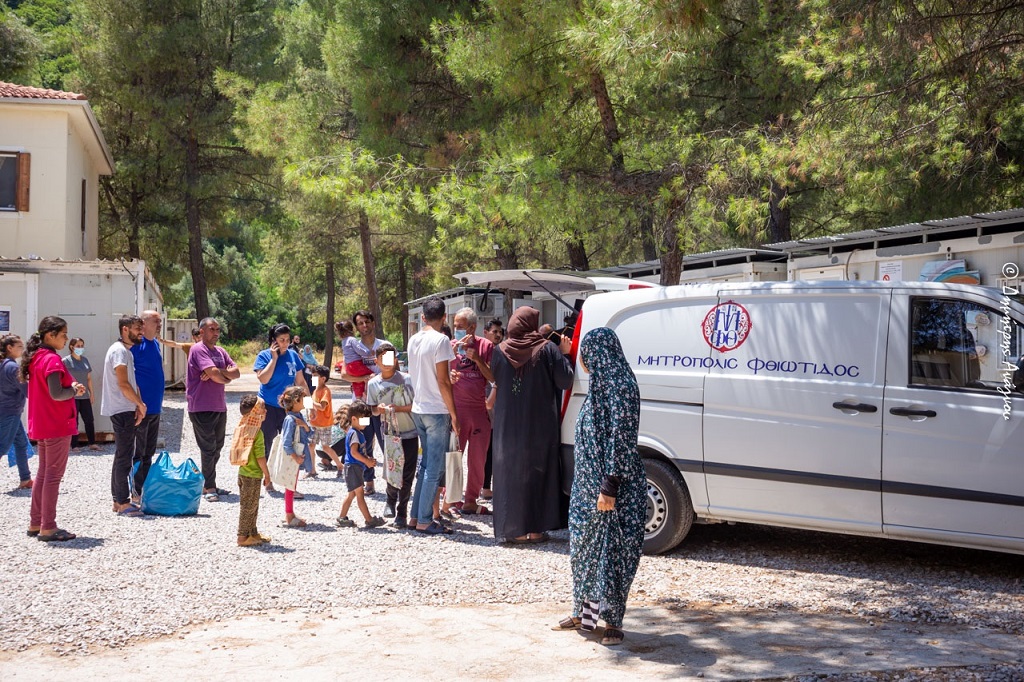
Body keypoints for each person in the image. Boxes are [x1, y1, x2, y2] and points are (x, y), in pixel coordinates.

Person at [554, 327, 644, 646]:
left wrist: (610, 484)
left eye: (584, 352)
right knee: (584, 549)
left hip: (611, 489)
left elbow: (622, 436)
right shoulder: (600, 383)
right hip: (587, 488)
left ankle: (613, 621)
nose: (582, 359)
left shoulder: (622, 386)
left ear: (596, 352)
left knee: (614, 552)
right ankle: (585, 614)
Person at [491, 306, 573, 544]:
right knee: (539, 472)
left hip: (508, 425)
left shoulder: (499, 351)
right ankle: (537, 530)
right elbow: (565, 380)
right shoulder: (547, 348)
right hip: (540, 424)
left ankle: (515, 531)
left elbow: (496, 378)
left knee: (511, 473)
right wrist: (565, 354)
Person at [24, 316, 86, 541]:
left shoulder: (37, 357)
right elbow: (57, 393)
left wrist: (71, 385)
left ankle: (36, 522)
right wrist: (75, 391)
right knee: (52, 476)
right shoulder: (51, 359)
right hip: (57, 424)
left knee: (43, 473)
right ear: (50, 335)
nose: (66, 339)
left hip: (43, 423)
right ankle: (48, 526)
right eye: (63, 334)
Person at [407, 296, 459, 536]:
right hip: (436, 409)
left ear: (423, 317)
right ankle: (425, 519)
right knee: (434, 468)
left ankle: (415, 515)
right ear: (444, 317)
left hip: (418, 407)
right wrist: (454, 414)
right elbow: (443, 381)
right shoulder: (442, 340)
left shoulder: (413, 339)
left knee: (426, 464)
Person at [187, 317, 241, 502]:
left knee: (217, 447)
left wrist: (219, 372)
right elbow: (216, 375)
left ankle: (208, 483)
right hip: (201, 406)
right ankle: (209, 487)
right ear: (202, 331)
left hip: (219, 406)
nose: (216, 333)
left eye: (218, 329)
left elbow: (236, 372)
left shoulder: (220, 351)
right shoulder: (198, 349)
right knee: (208, 448)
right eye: (212, 329)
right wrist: (220, 374)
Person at [367, 342, 419, 528]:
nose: (387, 362)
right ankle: (390, 500)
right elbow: (372, 409)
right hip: (389, 435)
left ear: (396, 360)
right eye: (383, 359)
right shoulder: (373, 384)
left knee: (407, 473)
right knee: (392, 469)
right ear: (376, 361)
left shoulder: (408, 379)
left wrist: (398, 408)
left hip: (410, 433)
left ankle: (402, 511)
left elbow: (416, 405)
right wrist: (379, 409)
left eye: (391, 358)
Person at [100, 315, 147, 517]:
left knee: (122, 454)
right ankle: (122, 502)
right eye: (137, 328)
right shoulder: (119, 351)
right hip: (121, 409)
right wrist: (140, 404)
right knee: (125, 457)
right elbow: (123, 384)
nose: (141, 332)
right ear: (125, 329)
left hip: (125, 408)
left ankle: (117, 500)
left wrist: (137, 404)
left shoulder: (125, 351)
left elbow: (131, 383)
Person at [449, 308, 494, 516]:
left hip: (478, 411)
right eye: (455, 326)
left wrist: (478, 360)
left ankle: (470, 500)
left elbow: (493, 377)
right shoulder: (450, 346)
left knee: (477, 460)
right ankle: (451, 500)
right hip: (457, 411)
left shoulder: (485, 346)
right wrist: (450, 376)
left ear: (472, 327)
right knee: (453, 458)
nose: (456, 330)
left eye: (460, 326)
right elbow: (440, 377)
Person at [254, 324, 307, 467]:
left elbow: (301, 382)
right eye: (282, 340)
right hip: (268, 407)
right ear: (274, 341)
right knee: (267, 442)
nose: (285, 343)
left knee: (290, 441)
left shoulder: (293, 355)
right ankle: (267, 476)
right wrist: (274, 359)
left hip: (288, 407)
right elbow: (263, 379)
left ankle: (286, 477)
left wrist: (309, 405)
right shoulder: (264, 356)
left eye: (288, 340)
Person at [346, 310, 385, 494]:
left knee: (387, 443)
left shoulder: (384, 346)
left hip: (381, 404)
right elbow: (345, 374)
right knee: (364, 443)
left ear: (373, 323)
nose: (364, 325)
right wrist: (364, 379)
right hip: (361, 407)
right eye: (360, 323)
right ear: (357, 327)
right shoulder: (352, 346)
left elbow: (392, 369)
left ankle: (395, 482)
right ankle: (369, 481)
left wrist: (375, 380)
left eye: (367, 321)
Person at [129, 310, 165, 499]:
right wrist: (137, 402)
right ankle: (134, 490)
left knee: (149, 452)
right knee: (138, 452)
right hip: (140, 409)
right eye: (156, 321)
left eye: (160, 321)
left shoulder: (155, 344)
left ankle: (144, 489)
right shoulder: (136, 346)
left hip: (155, 408)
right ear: (143, 323)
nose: (160, 324)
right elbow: (129, 376)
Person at [335, 400, 386, 529]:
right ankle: (369, 520)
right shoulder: (355, 434)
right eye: (364, 420)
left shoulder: (357, 432)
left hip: (354, 468)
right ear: (354, 419)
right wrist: (366, 461)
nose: (367, 423)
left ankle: (342, 518)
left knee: (352, 494)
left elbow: (359, 452)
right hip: (353, 468)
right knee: (360, 495)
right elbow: (354, 452)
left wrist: (367, 458)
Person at [231, 394, 271, 547]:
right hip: (252, 475)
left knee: (253, 505)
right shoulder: (257, 433)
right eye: (262, 408)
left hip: (243, 473)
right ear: (255, 413)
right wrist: (267, 475)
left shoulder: (242, 428)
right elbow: (260, 457)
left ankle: (252, 532)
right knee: (248, 507)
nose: (266, 411)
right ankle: (242, 537)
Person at [0, 335, 32, 489]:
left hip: (7, 410)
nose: (22, 349)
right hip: (10, 411)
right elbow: (27, 390)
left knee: (21, 443)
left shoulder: (3, 365)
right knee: (3, 446)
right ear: (9, 348)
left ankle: (25, 479)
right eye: (19, 347)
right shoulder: (13, 368)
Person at [279, 385, 311, 528]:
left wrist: (305, 425)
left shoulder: (299, 416)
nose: (306, 400)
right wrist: (295, 457)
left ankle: (290, 513)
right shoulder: (290, 419)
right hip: (293, 457)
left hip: (298, 456)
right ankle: (289, 515)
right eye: (304, 398)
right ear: (296, 401)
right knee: (290, 486)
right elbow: (286, 442)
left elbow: (310, 433)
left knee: (292, 485)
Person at [63, 338, 100, 451]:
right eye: (78, 346)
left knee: (89, 419)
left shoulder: (85, 360)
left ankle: (92, 443)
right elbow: (62, 378)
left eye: (82, 346)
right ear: (71, 347)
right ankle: (74, 445)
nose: (80, 348)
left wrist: (91, 393)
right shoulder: (66, 361)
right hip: (72, 395)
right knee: (74, 420)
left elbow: (88, 378)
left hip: (84, 395)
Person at [309, 365, 342, 473]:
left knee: (325, 447)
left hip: (324, 424)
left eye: (315, 376)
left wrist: (310, 402)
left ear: (323, 378)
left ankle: (339, 465)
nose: (312, 378)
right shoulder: (315, 390)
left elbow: (322, 407)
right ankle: (312, 470)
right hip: (314, 423)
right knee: (311, 446)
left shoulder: (325, 391)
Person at [338, 319, 373, 399]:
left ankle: (358, 397)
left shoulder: (344, 341)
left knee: (356, 382)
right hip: (356, 365)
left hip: (349, 367)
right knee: (372, 375)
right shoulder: (352, 339)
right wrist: (368, 352)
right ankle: (367, 394)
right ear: (352, 329)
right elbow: (359, 350)